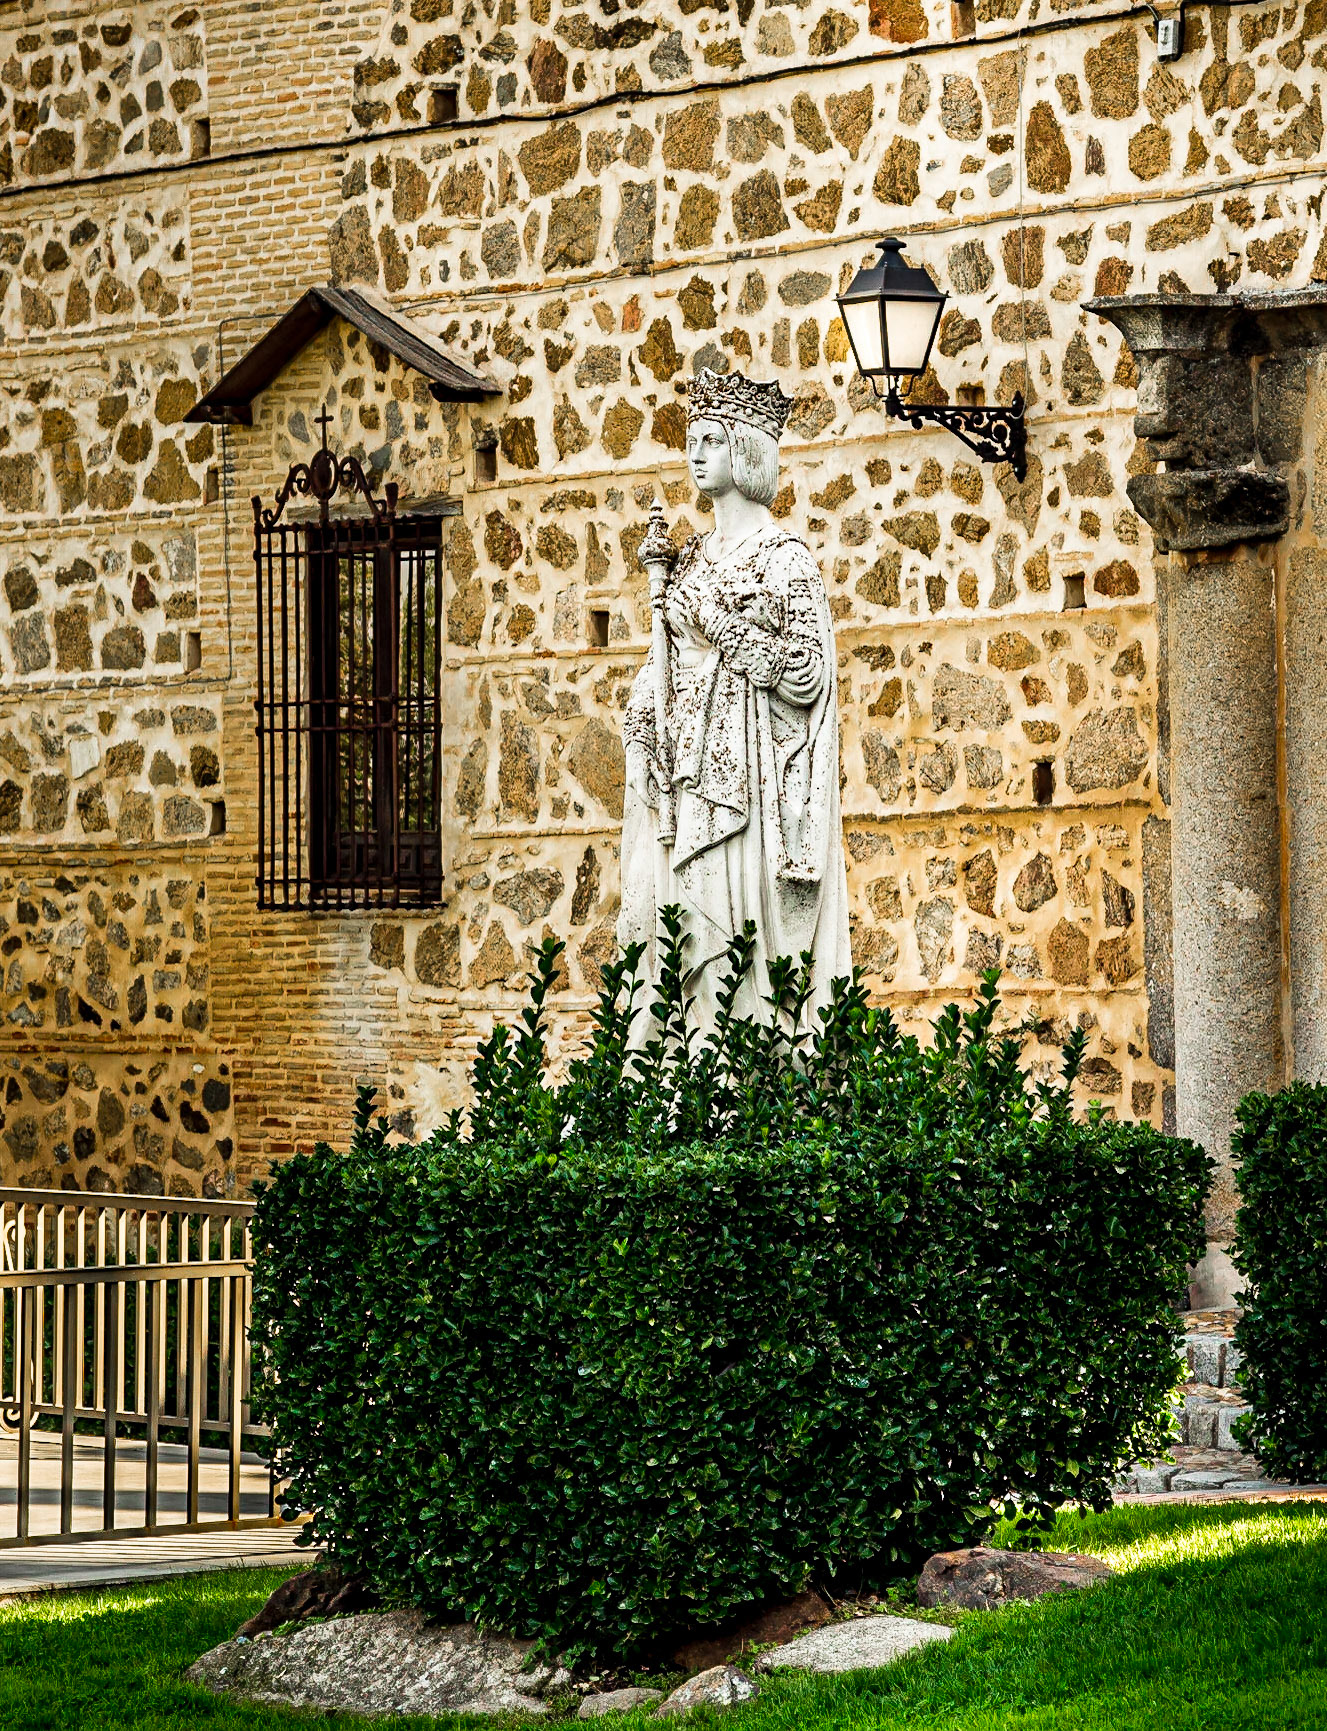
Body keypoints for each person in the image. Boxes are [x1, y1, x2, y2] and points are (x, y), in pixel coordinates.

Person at [618, 368, 852, 1036]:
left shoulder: (784, 559)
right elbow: (659, 663)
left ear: (746, 449)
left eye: (712, 440)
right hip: (687, 775)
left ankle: (747, 1062)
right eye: (691, 441)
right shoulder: (689, 558)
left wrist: (721, 625)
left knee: (737, 938)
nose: (696, 454)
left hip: (751, 784)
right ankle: (689, 1060)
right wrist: (640, 729)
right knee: (683, 932)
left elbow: (805, 676)